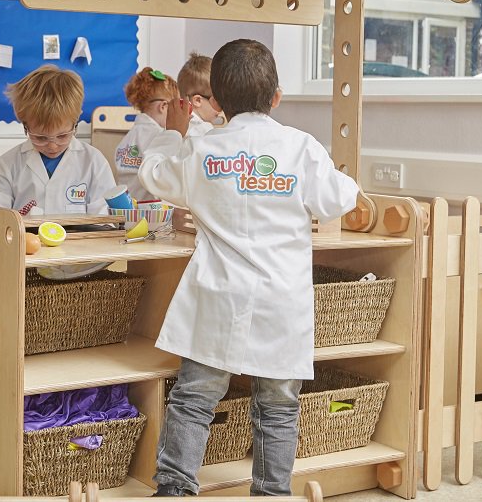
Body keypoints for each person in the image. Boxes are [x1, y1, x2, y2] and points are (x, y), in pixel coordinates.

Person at [139, 39, 359, 496]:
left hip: (217, 299)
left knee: (193, 399)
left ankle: (175, 488)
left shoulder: (202, 151)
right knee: (278, 407)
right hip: (281, 302)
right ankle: (271, 492)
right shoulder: (299, 148)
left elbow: (154, 174)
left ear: (215, 101)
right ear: (276, 96)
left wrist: (172, 132)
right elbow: (338, 198)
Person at [0, 64, 115, 215]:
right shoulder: (7, 165)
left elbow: (104, 221)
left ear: (75, 122)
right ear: (25, 126)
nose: (52, 146)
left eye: (62, 136)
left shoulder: (94, 162)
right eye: (41, 137)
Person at [114, 67, 180, 201]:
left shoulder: (127, 138)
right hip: (151, 214)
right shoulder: (160, 137)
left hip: (127, 211)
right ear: (163, 106)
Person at [176, 52, 222, 137]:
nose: (221, 108)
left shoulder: (173, 125)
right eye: (218, 101)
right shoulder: (204, 131)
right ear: (197, 100)